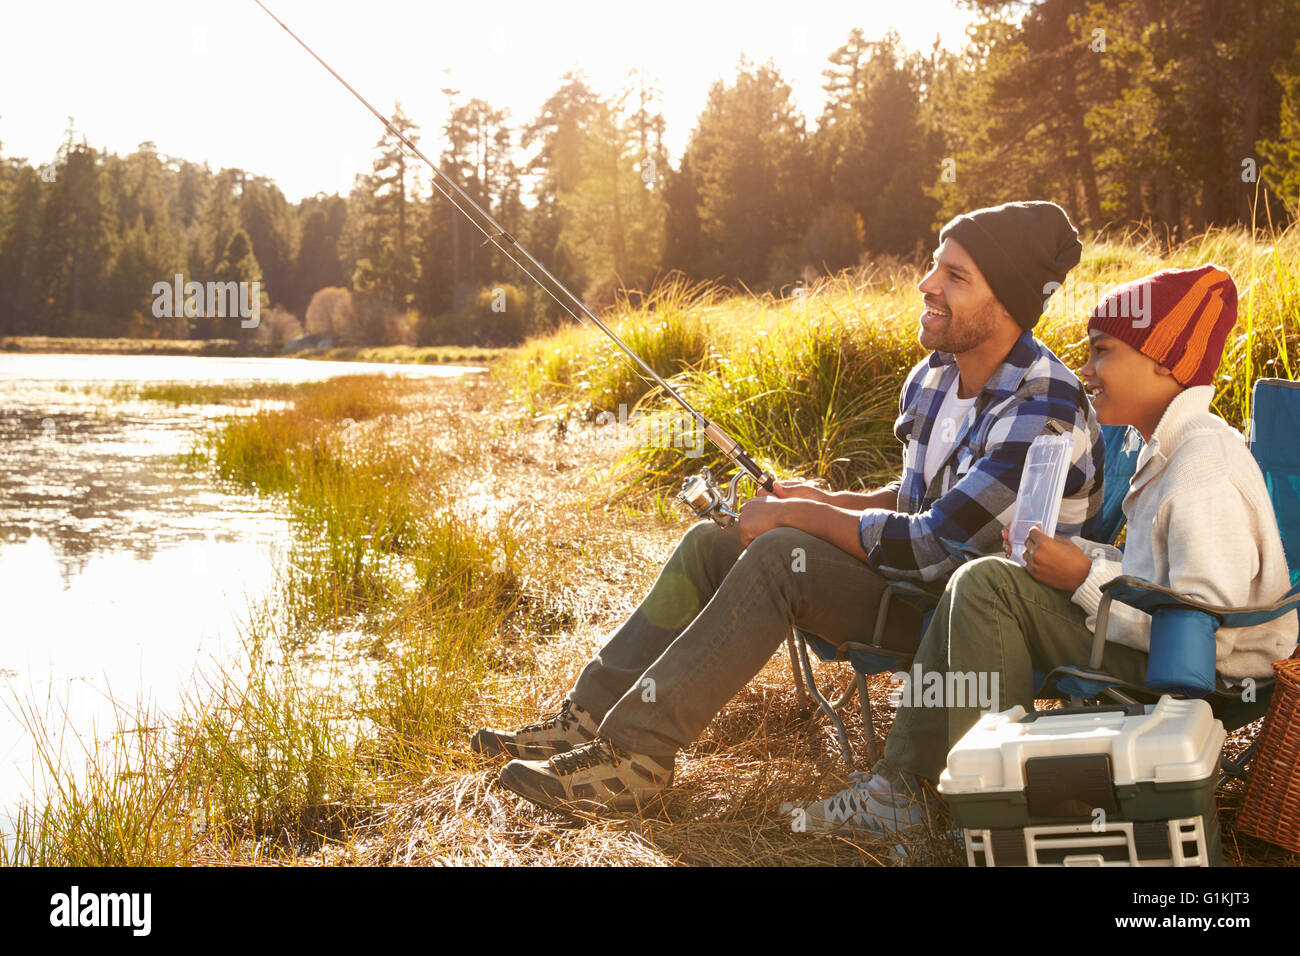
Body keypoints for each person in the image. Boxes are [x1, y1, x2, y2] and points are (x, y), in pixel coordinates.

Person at [472, 200, 1103, 814]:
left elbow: (934, 548)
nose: (927, 284)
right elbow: (915, 501)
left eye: (955, 276)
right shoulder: (935, 376)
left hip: (961, 626)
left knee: (782, 555)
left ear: (1009, 303)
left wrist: (800, 519)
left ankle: (632, 759)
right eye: (935, 264)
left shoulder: (1042, 405)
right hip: (908, 589)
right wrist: (819, 499)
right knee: (713, 544)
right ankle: (586, 718)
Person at [797, 263, 1300, 837]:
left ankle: (981, 810)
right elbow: (1152, 578)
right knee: (985, 579)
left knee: (988, 589)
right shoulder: (1165, 446)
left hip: (1204, 673)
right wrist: (1083, 562)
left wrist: (1084, 575)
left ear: (1165, 361)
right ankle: (923, 790)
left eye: (1102, 352)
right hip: (1163, 642)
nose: (1085, 371)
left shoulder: (1201, 467)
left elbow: (1206, 625)